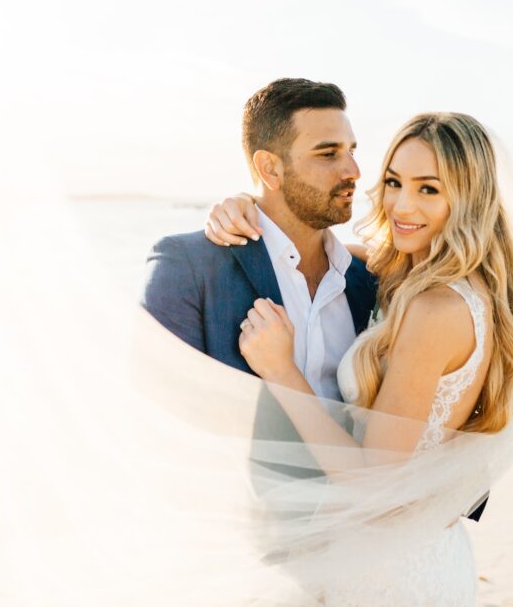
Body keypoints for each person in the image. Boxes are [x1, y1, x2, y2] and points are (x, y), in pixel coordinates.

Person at [205, 112, 513, 606]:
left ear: (469, 200)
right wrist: (249, 205)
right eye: (394, 182)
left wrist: (281, 371)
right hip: (417, 553)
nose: (403, 205)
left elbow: (370, 479)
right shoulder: (425, 278)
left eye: (429, 189)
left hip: (392, 578)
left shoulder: (434, 309)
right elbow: (322, 250)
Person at [141, 78, 488, 518]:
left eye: (352, 150)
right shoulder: (189, 265)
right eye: (329, 154)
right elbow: (150, 421)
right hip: (244, 541)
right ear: (270, 169)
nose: (354, 171)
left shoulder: (376, 279)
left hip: (368, 537)